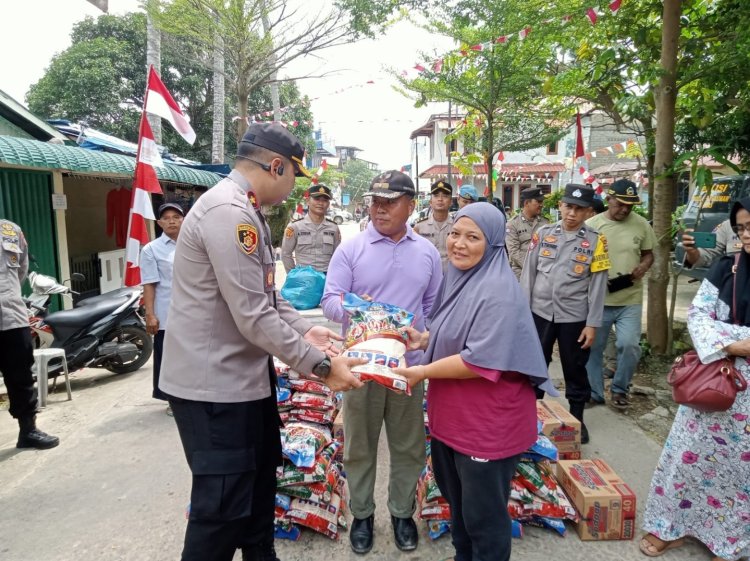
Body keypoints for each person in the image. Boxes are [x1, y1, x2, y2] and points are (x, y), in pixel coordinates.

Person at [159, 123, 365, 561]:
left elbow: (267, 298)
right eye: (294, 177)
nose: (295, 189)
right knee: (220, 513)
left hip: (245, 383)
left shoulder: (246, 211)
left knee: (257, 492)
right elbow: (252, 316)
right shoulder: (228, 213)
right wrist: (322, 367)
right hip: (214, 389)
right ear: (276, 166)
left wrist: (304, 329)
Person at [394, 203, 555, 561]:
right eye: (454, 234)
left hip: (487, 428)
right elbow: (454, 329)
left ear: (494, 243)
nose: (459, 244)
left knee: (484, 518)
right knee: (460, 507)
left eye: (472, 237)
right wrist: (424, 340)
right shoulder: (459, 276)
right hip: (451, 421)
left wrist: (420, 371)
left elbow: (477, 359)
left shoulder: (498, 289)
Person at [321, 170, 442, 555]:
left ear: (410, 204)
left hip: (408, 367)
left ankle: (402, 514)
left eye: (390, 202)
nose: (380, 208)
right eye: (375, 201)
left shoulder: (427, 253)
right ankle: (362, 515)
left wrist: (420, 338)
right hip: (360, 368)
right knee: (359, 445)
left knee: (408, 446)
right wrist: (362, 311)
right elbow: (330, 301)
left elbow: (432, 307)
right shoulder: (351, 249)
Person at [640, 198, 750, 561]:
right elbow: (699, 316)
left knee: (742, 471)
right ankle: (672, 527)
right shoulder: (727, 269)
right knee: (689, 457)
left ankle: (728, 541)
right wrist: (735, 343)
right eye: (743, 228)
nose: (747, 235)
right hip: (719, 377)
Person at [520, 184, 610, 444]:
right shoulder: (543, 233)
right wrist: (523, 314)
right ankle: (530, 415)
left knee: (575, 368)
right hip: (539, 312)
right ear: (560, 206)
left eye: (579, 209)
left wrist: (592, 324)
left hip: (574, 317)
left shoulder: (596, 240)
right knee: (535, 364)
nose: (572, 213)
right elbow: (529, 274)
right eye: (568, 206)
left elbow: (598, 284)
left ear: (588, 211)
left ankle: (577, 418)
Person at [585, 178, 656, 409]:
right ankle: (595, 392)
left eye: (630, 205)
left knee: (629, 345)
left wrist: (644, 266)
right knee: (593, 348)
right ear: (609, 200)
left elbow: (648, 254)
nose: (624, 209)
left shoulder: (642, 224)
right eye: (620, 204)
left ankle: (619, 388)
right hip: (599, 300)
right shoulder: (593, 225)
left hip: (630, 299)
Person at [0, 219, 59, 450]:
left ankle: (28, 431)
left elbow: (21, 268)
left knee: (21, 376)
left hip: (11, 316)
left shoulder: (10, 230)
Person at [140, 202, 184, 416]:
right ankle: (172, 400)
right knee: (168, 358)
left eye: (176, 216)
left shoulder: (194, 244)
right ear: (159, 223)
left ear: (183, 219)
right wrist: (150, 315)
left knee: (192, 356)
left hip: (193, 313)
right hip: (167, 313)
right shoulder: (151, 249)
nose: (172, 220)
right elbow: (149, 283)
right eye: (166, 218)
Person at [281, 184, 341, 274]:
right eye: (317, 199)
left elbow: (338, 255)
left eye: (325, 200)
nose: (320, 203)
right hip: (303, 279)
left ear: (328, 204)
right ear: (308, 201)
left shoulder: (333, 228)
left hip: (327, 278)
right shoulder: (295, 226)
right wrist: (293, 277)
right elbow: (286, 254)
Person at [506, 186, 549, 280]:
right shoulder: (513, 224)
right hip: (520, 273)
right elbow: (514, 252)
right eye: (538, 202)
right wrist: (532, 267)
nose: (541, 205)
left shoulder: (545, 223)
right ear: (526, 203)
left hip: (542, 273)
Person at [414, 179, 454, 271]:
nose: (440, 199)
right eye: (436, 196)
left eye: (445, 196)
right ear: (430, 202)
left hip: (451, 274)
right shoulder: (419, 226)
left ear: (451, 202)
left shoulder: (457, 225)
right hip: (427, 271)